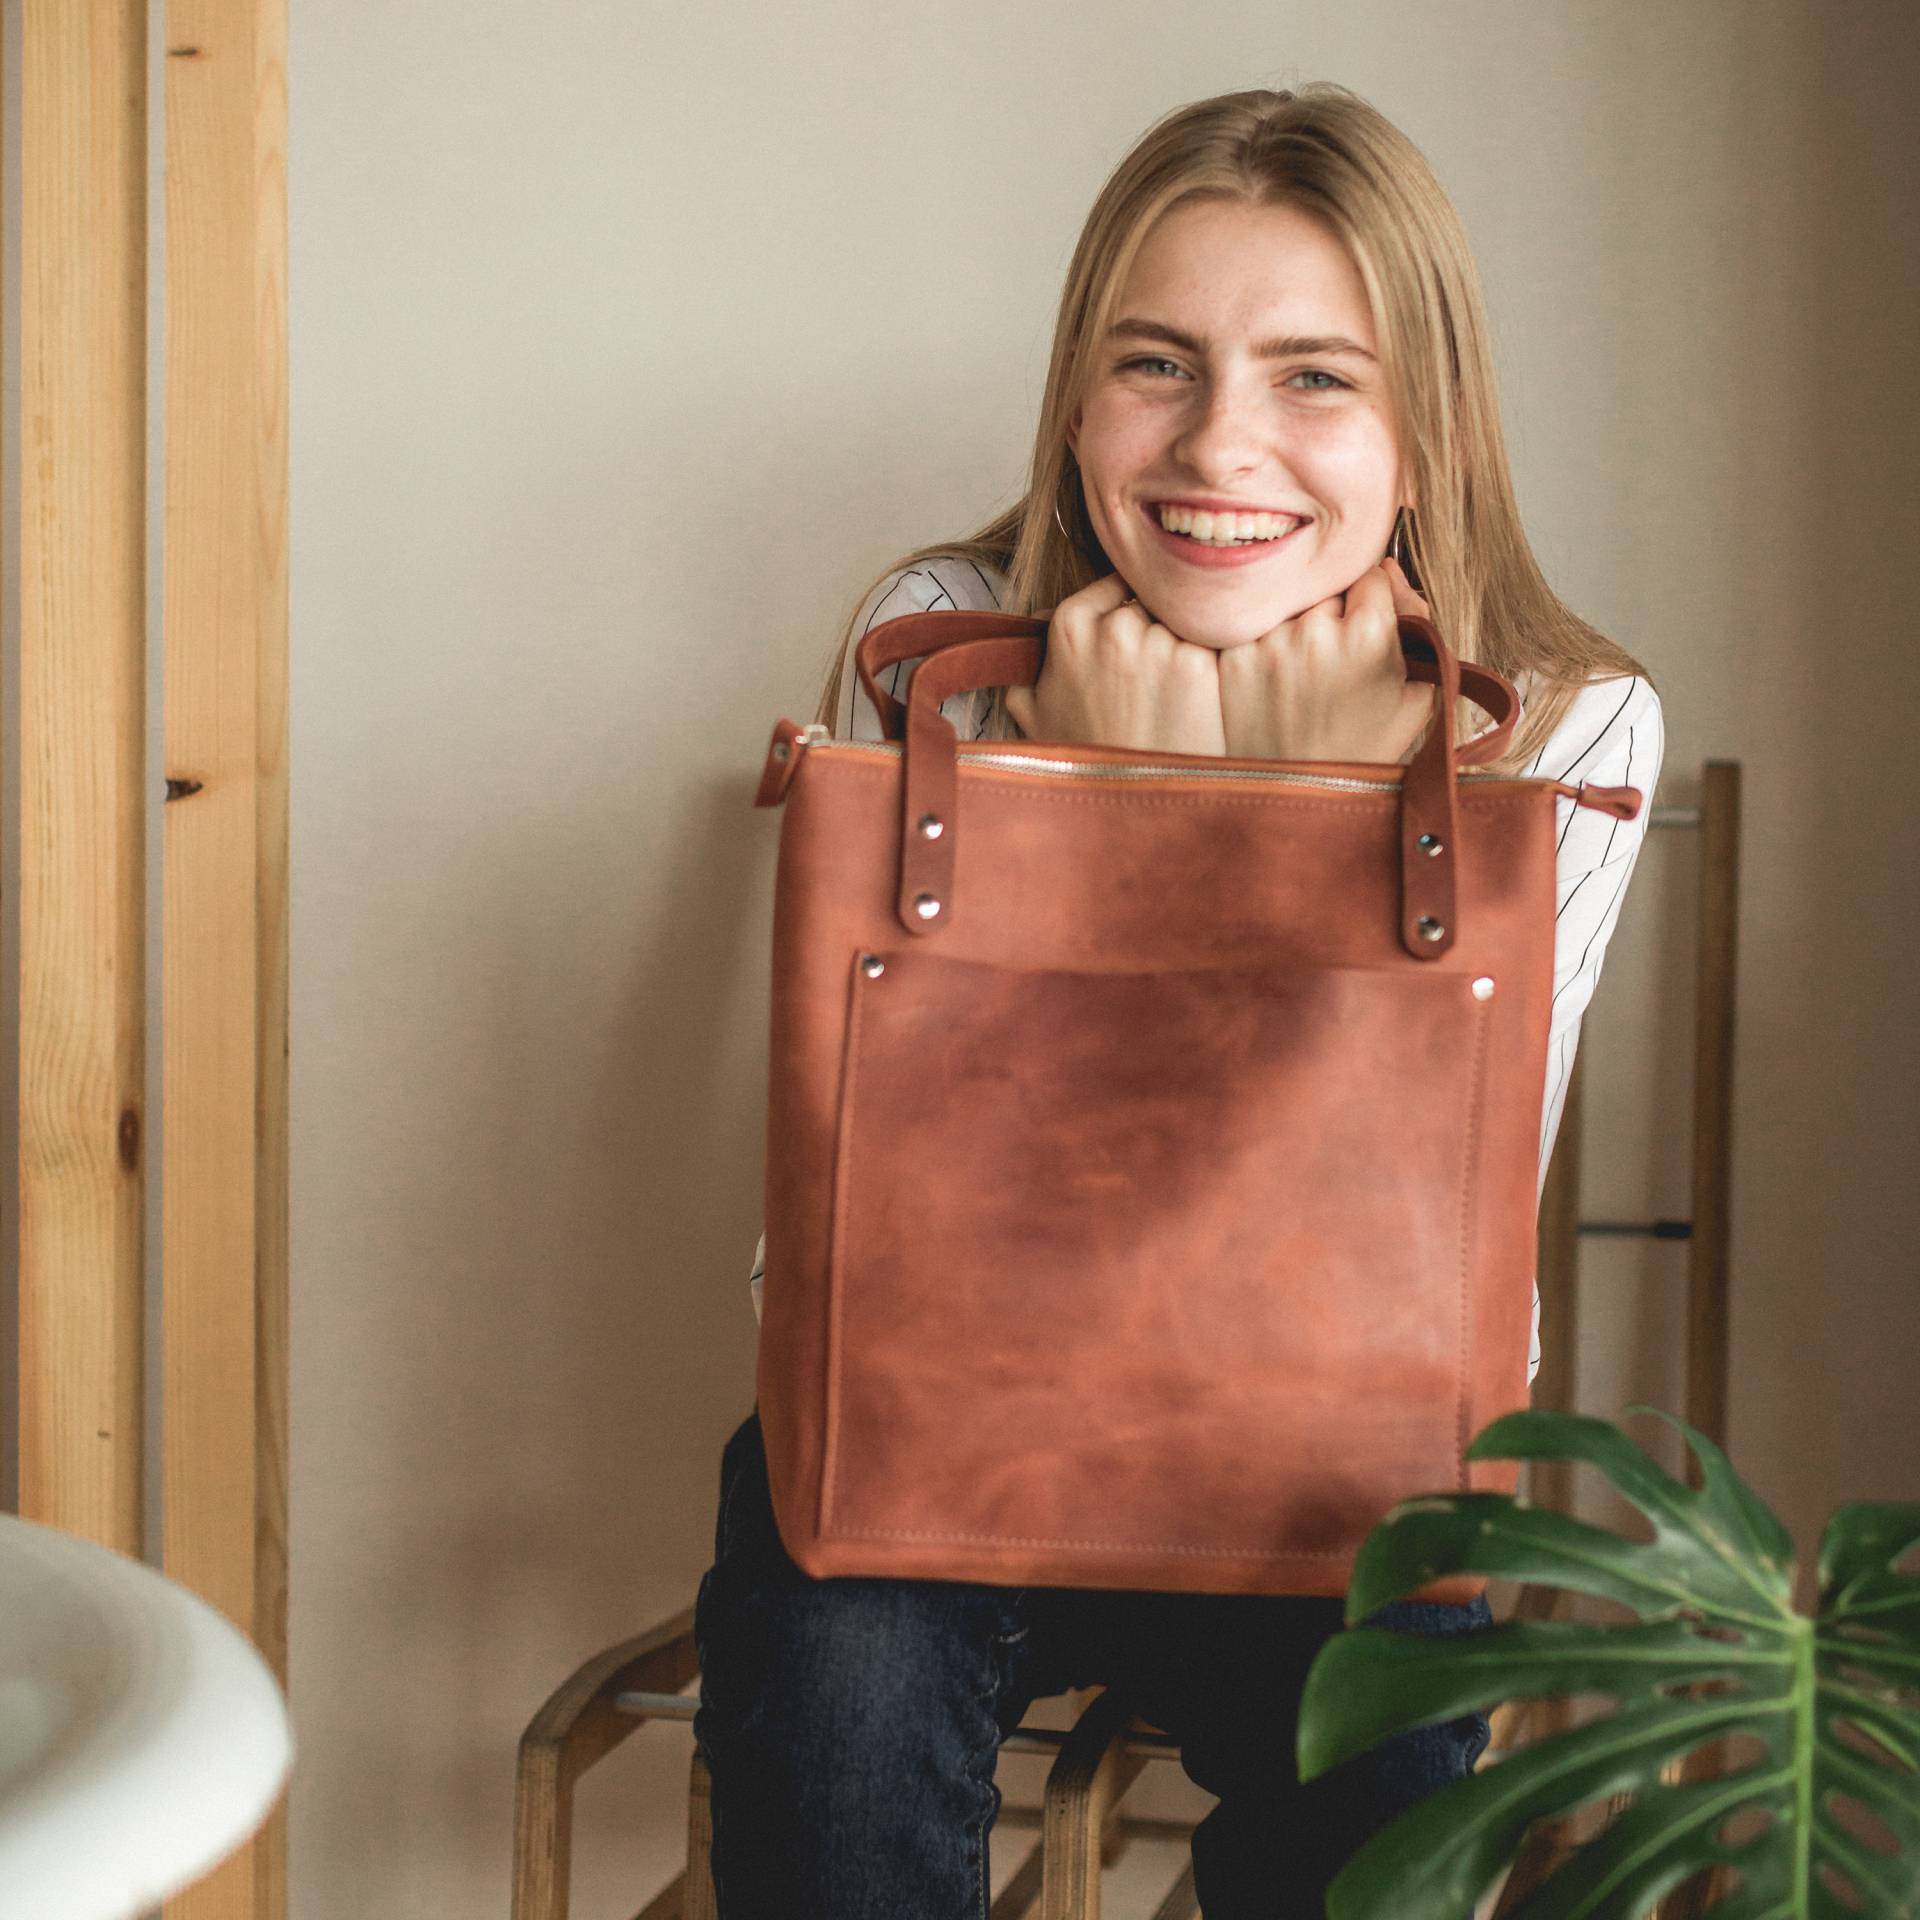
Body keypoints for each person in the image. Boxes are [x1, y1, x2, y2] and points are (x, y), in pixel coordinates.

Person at [695, 81, 1665, 1919]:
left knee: (1365, 1821)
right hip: (934, 1419)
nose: (1223, 445)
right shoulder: (939, 641)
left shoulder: (1562, 725)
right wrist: (1112, 787)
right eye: (1156, 363)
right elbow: (860, 1237)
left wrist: (1277, 835)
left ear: (1425, 423)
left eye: (1316, 375)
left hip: (1328, 1466)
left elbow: (1424, 1248)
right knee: (837, 1711)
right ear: (1077, 397)